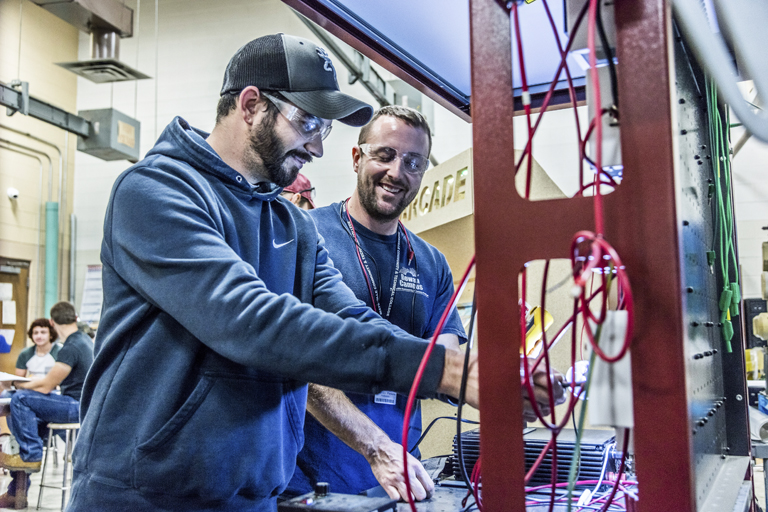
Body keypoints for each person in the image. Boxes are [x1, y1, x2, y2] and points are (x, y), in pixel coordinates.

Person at [67, 33, 558, 512]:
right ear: (251, 104)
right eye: (306, 123)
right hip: (144, 496)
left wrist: (471, 368)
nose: (316, 148)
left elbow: (352, 315)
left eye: (323, 130)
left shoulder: (291, 226)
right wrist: (441, 370)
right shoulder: (157, 192)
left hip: (252, 496)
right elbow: (251, 323)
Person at [287, 106, 466, 501]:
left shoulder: (431, 263)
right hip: (310, 483)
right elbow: (296, 362)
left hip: (401, 479)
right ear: (356, 158)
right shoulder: (307, 234)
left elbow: (444, 362)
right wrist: (375, 447)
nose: (397, 172)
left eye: (413, 162)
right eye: (384, 155)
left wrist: (495, 375)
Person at [0, 302, 94, 507]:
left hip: (75, 406)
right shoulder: (84, 340)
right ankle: (17, 493)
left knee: (19, 399)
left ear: (52, 323)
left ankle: (30, 454)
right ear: (75, 319)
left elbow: (47, 386)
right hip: (81, 404)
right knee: (29, 420)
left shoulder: (71, 346)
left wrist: (14, 384)